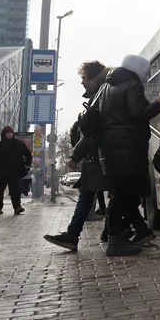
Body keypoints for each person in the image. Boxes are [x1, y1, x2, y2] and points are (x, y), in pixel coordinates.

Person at [94, 54, 160, 256]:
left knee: (120, 194)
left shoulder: (107, 87)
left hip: (111, 149)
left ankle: (117, 236)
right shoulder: (132, 85)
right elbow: (138, 113)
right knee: (129, 196)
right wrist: (159, 103)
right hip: (127, 149)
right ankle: (117, 240)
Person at [44, 60, 109, 252]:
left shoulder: (100, 95)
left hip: (99, 154)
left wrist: (75, 156)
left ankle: (75, 235)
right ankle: (79, 235)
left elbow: (92, 132)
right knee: (94, 195)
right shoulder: (98, 94)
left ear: (92, 78)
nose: (82, 82)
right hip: (97, 155)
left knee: (101, 195)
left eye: (84, 78)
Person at [0, 126, 31, 215]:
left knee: (15, 190)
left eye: (11, 132)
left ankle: (17, 207)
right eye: (7, 133)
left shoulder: (19, 144)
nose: (9, 134)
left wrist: (27, 165)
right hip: (1, 172)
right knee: (0, 190)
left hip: (14, 171)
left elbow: (28, 154)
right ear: (4, 134)